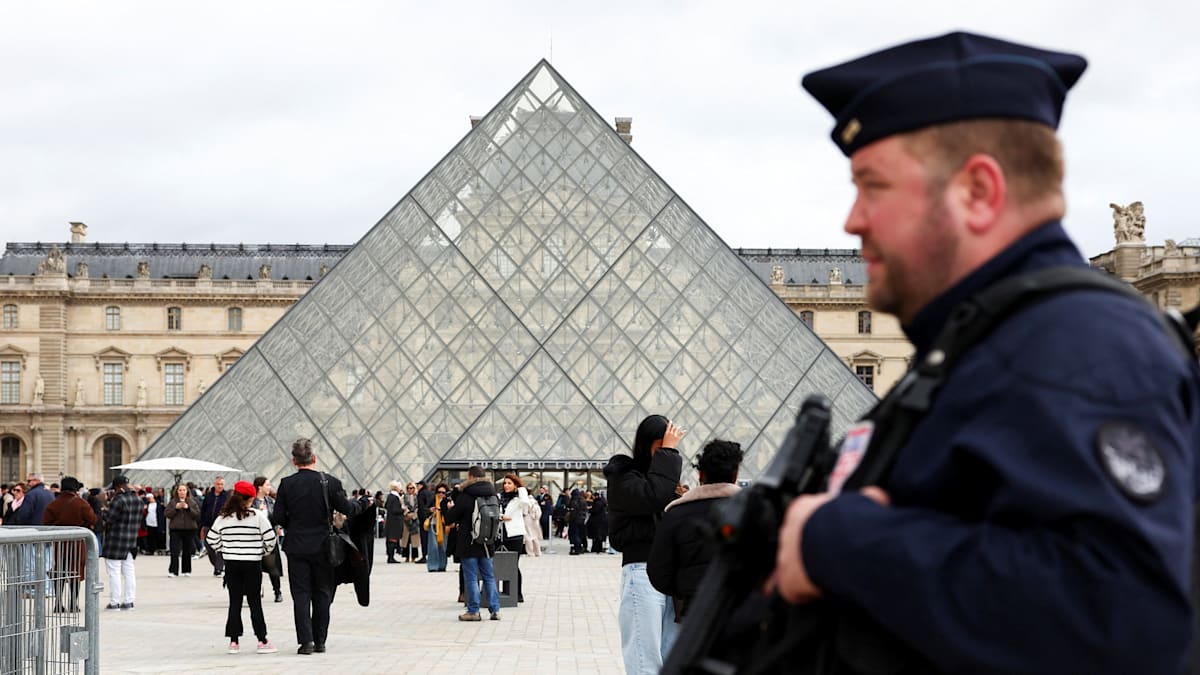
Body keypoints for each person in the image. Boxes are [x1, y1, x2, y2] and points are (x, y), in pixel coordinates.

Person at [764, 31, 1200, 674]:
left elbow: (1121, 615)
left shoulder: (1078, 348)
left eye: (873, 185)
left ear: (977, 191)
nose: (853, 219)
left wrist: (839, 539)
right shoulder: (990, 344)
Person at [603, 415, 685, 675]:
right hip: (642, 572)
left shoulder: (665, 481)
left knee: (672, 658)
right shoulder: (623, 477)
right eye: (662, 447)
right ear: (648, 443)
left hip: (671, 577)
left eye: (671, 448)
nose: (667, 454)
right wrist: (670, 453)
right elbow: (653, 496)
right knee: (644, 660)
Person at [271, 438, 363, 655]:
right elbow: (347, 508)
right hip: (324, 547)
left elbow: (278, 517)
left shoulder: (286, 483)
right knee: (322, 593)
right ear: (314, 458)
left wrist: (294, 525)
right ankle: (320, 640)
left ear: (294, 460)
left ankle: (306, 642)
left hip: (296, 547)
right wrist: (362, 504)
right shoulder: (329, 482)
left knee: (301, 595)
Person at [647, 440, 743, 622]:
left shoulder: (675, 515)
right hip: (742, 611)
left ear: (701, 475)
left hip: (695, 612)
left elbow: (658, 571)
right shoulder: (755, 512)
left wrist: (684, 588)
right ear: (736, 474)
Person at [206, 480, 278, 655]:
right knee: (255, 602)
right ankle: (262, 640)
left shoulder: (223, 517)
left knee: (235, 602)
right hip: (252, 563)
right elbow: (271, 539)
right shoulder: (257, 516)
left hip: (232, 564)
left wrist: (225, 550)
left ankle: (233, 641)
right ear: (250, 499)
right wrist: (261, 551)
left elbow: (211, 539)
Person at [444, 465, 501, 621]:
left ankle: (473, 611)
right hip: (486, 542)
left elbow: (450, 518)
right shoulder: (493, 494)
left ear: (470, 477)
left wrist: (449, 507)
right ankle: (495, 610)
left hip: (468, 542)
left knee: (471, 577)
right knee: (489, 577)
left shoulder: (467, 495)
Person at [42, 476, 97, 612]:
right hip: (77, 543)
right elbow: (93, 519)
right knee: (75, 573)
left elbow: (46, 522)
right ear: (76, 488)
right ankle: (73, 603)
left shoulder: (54, 504)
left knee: (59, 572)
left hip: (59, 543)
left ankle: (58, 603)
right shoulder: (81, 503)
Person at [102, 475, 141, 610]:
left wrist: (103, 511)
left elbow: (110, 519)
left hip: (116, 541)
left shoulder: (118, 500)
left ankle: (114, 602)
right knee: (129, 572)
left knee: (114, 572)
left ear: (118, 487)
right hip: (131, 540)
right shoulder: (138, 499)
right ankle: (129, 601)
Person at [498, 474, 535, 601]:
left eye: (509, 483)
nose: (506, 485)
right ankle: (503, 592)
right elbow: (494, 511)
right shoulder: (498, 497)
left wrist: (522, 490)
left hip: (515, 534)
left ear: (515, 485)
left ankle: (516, 593)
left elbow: (526, 504)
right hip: (500, 534)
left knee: (513, 564)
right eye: (505, 483)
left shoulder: (520, 498)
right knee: (499, 564)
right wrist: (500, 517)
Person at [251, 476, 283, 603]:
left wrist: (278, 527)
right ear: (260, 487)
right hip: (254, 539)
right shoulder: (251, 502)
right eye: (267, 485)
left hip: (269, 539)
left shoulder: (271, 501)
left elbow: (276, 518)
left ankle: (277, 591)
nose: (269, 487)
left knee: (272, 567)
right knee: (255, 568)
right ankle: (256, 590)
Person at [165, 483, 200, 577]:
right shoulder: (172, 502)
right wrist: (175, 509)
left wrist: (188, 508)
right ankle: (173, 571)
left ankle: (186, 570)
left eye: (184, 490)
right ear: (177, 492)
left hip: (189, 529)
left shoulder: (192, 502)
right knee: (174, 550)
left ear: (187, 491)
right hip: (175, 529)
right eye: (180, 490)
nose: (182, 492)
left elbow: (197, 514)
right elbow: (167, 514)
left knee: (187, 550)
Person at [199, 477, 228, 577]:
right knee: (209, 546)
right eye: (218, 484)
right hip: (208, 525)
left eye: (221, 484)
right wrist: (202, 524)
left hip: (221, 526)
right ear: (214, 484)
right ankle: (217, 565)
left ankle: (218, 569)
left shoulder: (226, 497)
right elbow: (203, 510)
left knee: (220, 547)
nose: (220, 486)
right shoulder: (208, 496)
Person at [424, 483, 450, 572]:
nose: (441, 494)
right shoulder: (432, 499)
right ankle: (432, 566)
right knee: (433, 546)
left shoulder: (447, 501)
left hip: (444, 525)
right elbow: (425, 510)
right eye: (439, 492)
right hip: (433, 524)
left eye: (443, 492)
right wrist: (430, 510)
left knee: (443, 546)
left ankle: (442, 565)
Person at [384, 481, 404, 563]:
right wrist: (402, 510)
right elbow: (395, 510)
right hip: (395, 521)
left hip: (390, 520)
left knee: (390, 539)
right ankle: (391, 557)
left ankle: (390, 556)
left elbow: (386, 506)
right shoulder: (395, 497)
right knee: (393, 539)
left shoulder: (390, 496)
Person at [400, 482, 421, 562]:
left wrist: (414, 515)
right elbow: (402, 506)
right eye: (408, 488)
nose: (410, 489)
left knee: (414, 540)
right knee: (406, 539)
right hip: (406, 520)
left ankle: (414, 557)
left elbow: (418, 507)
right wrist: (407, 514)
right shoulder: (403, 497)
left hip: (415, 520)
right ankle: (406, 557)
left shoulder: (417, 497)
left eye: (412, 488)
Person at [415, 481, 433, 563]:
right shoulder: (429, 493)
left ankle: (424, 555)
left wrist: (422, 517)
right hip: (431, 517)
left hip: (424, 518)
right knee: (430, 538)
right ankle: (430, 555)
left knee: (424, 538)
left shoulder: (421, 494)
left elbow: (421, 507)